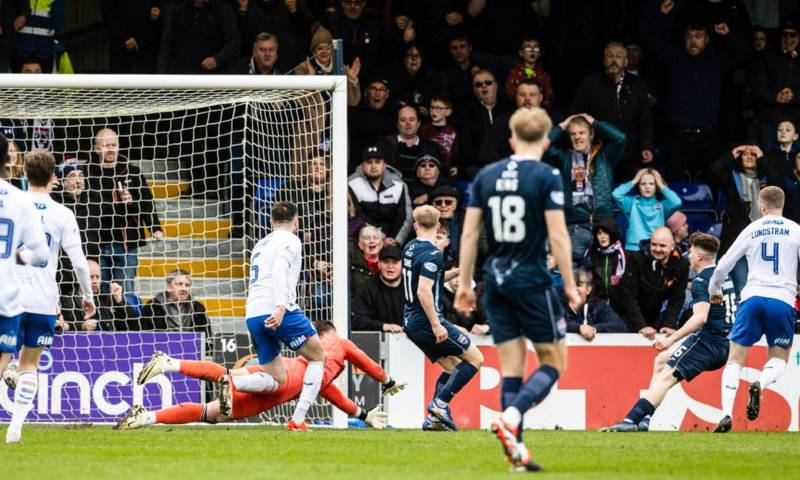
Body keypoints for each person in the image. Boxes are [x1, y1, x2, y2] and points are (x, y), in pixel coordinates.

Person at [455, 108, 579, 472]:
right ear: (544, 141)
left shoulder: (487, 176)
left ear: (510, 139)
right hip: (531, 280)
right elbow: (557, 235)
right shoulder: (547, 175)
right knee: (554, 362)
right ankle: (511, 416)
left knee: (512, 367)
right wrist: (570, 284)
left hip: (495, 281)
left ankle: (517, 455)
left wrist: (464, 284)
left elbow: (468, 233)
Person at [120, 320, 405, 428]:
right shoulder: (338, 343)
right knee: (228, 380)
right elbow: (366, 361)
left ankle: (147, 416)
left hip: (280, 386)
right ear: (325, 334)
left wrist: (364, 415)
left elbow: (335, 397)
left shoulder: (320, 377)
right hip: (285, 381)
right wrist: (387, 381)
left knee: (215, 413)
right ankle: (171, 365)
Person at [3, 150, 96, 444]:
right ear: (55, 179)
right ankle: (15, 428)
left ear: (24, 174)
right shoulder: (62, 214)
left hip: (9, 296)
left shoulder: (12, 203)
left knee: (3, 361)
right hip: (44, 300)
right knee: (30, 364)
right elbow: (80, 263)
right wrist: (88, 296)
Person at [601, 233, 736, 432]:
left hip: (707, 343)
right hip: (724, 344)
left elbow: (700, 317)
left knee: (667, 377)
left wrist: (670, 339)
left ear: (699, 256)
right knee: (661, 361)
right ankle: (646, 418)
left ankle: (630, 420)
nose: (688, 256)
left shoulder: (701, 281)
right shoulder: (724, 276)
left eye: (691, 252)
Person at [709, 186, 800, 433]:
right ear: (782, 204)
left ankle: (726, 414)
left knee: (735, 358)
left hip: (752, 298)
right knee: (779, 357)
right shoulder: (795, 230)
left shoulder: (752, 229)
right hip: (782, 299)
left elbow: (724, 264)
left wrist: (714, 290)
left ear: (761, 205)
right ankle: (760, 381)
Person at [232, 201, 326, 431]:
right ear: (297, 222)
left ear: (271, 222)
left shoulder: (260, 244)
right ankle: (298, 420)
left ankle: (233, 381)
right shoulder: (291, 240)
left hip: (253, 312)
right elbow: (280, 269)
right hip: (278, 309)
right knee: (318, 356)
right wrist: (282, 306)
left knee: (277, 379)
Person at [402, 205, 483, 432]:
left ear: (416, 225)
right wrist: (437, 324)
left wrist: (457, 271)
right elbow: (424, 291)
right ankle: (439, 404)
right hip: (426, 321)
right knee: (476, 359)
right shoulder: (433, 254)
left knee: (452, 368)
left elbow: (430, 279)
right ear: (438, 225)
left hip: (410, 322)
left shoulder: (410, 248)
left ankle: (435, 421)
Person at [0, 141, 50, 444]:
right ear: (8, 158)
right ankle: (15, 429)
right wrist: (18, 258)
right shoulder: (19, 201)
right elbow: (41, 254)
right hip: (7, 297)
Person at [85, 128, 163, 295]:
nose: (111, 149)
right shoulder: (87, 173)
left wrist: (154, 227)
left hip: (125, 244)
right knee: (98, 294)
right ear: (96, 148)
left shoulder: (132, 172)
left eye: (114, 144)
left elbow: (147, 202)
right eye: (106, 145)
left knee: (125, 293)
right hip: (95, 245)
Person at [546, 113, 627, 258]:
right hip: (576, 227)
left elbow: (620, 138)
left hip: (604, 224)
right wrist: (562, 125)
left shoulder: (605, 156)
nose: (577, 137)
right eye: (573, 134)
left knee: (605, 274)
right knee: (576, 275)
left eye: (582, 132)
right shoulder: (565, 159)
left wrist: (594, 122)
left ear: (591, 134)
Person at [570, 41, 654, 179]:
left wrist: (646, 146)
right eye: (610, 56)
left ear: (625, 62)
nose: (614, 60)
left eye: (618, 56)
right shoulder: (590, 83)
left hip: (630, 152)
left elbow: (645, 119)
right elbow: (576, 116)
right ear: (604, 61)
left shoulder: (638, 84)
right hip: (599, 151)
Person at [708, 144, 782, 294]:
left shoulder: (765, 179)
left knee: (763, 287)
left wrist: (761, 158)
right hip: (737, 239)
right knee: (741, 288)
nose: (749, 157)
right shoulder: (732, 177)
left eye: (753, 154)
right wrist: (732, 153)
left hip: (763, 239)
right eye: (744, 154)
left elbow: (778, 179)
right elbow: (713, 171)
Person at [617, 227, 690, 339]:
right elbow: (629, 296)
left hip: (653, 316)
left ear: (672, 246)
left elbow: (677, 299)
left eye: (662, 246)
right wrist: (641, 326)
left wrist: (668, 325)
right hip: (626, 316)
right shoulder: (636, 259)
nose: (657, 249)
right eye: (653, 244)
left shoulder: (682, 264)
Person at [347, 143, 413, 246]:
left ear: (384, 165)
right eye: (369, 162)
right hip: (363, 241)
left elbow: (405, 216)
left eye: (377, 162)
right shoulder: (351, 184)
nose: (373, 166)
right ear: (362, 165)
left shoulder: (398, 185)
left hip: (393, 241)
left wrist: (395, 240)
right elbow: (357, 216)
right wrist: (380, 238)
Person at [157, 0, 240, 74]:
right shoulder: (179, 10)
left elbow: (234, 41)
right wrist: (162, 71)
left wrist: (217, 59)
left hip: (213, 77)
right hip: (182, 75)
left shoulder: (223, 10)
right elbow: (167, 43)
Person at [612, 168, 682, 252]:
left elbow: (677, 202)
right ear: (638, 185)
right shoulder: (630, 203)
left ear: (657, 186)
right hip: (634, 249)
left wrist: (660, 184)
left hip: (656, 249)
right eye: (643, 184)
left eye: (652, 184)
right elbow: (615, 194)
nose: (647, 187)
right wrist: (634, 180)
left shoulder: (662, 205)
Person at [139, 269, 211, 338]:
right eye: (179, 284)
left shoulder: (198, 308)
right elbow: (143, 336)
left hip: (191, 349)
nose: (184, 289)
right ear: (168, 287)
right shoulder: (152, 307)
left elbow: (206, 337)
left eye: (187, 285)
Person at [351, 245, 405, 332]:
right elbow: (357, 320)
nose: (390, 266)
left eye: (394, 262)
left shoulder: (412, 287)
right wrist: (384, 326)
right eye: (386, 262)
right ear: (379, 264)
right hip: (377, 341)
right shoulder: (367, 289)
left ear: (402, 264)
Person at [565, 269, 627, 341]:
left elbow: (620, 326)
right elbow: (552, 326)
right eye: (571, 285)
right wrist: (578, 328)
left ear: (588, 289)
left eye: (578, 285)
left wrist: (593, 328)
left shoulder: (599, 306)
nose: (574, 289)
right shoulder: (559, 306)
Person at [584, 217, 626, 304]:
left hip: (616, 302)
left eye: (605, 233)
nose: (602, 236)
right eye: (599, 233)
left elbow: (623, 280)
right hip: (596, 301)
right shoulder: (590, 252)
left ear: (611, 234)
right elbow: (587, 279)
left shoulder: (619, 252)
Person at [504, 37, 554, 108]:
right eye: (528, 48)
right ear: (521, 53)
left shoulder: (543, 74)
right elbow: (509, 95)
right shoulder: (514, 73)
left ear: (539, 53)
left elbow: (549, 96)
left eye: (536, 48)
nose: (532, 51)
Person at [419, 96, 459, 177]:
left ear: (448, 112)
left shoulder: (453, 131)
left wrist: (455, 166)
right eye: (432, 107)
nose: (434, 111)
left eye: (438, 108)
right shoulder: (424, 129)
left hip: (447, 171)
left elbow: (455, 152)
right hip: (428, 170)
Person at [349, 224, 384, 297]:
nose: (371, 241)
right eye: (367, 238)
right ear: (360, 245)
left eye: (375, 238)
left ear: (381, 244)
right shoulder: (352, 261)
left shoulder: (388, 262)